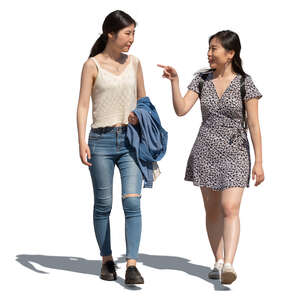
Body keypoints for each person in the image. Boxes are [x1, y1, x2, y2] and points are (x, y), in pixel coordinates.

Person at [157, 30, 265, 285]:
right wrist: (174, 81)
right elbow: (182, 109)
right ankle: (217, 260)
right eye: (209, 48)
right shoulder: (201, 80)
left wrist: (259, 161)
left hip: (236, 149)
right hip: (205, 148)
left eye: (215, 48)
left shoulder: (244, 83)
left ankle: (229, 263)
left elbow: (255, 125)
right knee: (213, 210)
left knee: (230, 208)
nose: (209, 53)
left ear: (230, 54)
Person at [76, 10, 146, 285]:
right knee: (103, 205)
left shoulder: (136, 63)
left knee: (132, 202)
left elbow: (144, 102)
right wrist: (80, 140)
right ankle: (106, 260)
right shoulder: (92, 65)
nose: (131, 39)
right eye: (127, 33)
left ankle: (131, 265)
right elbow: (83, 104)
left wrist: (139, 115)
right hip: (100, 142)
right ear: (110, 34)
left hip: (130, 141)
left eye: (133, 34)